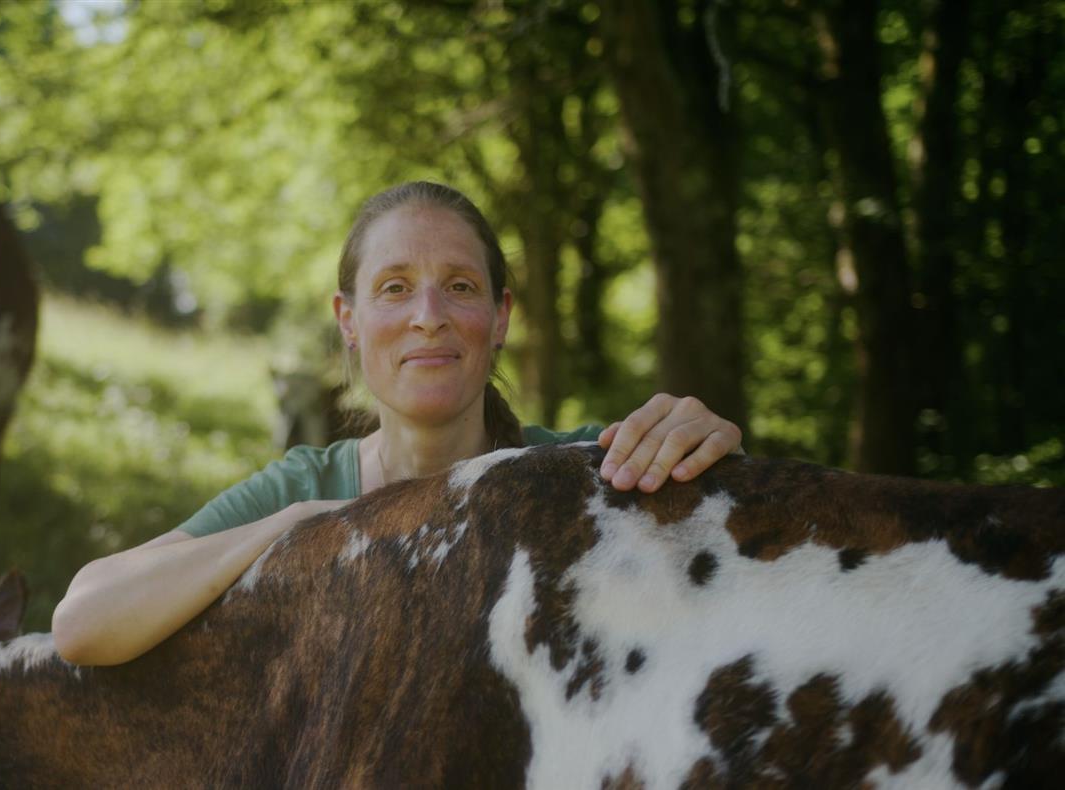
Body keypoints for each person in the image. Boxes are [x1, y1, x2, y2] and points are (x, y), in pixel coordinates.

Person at [52, 182, 743, 666]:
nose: (428, 316)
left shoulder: (588, 468)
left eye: (460, 287)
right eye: (394, 288)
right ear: (348, 321)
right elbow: (84, 622)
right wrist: (298, 528)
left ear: (500, 318)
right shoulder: (306, 488)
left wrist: (709, 457)